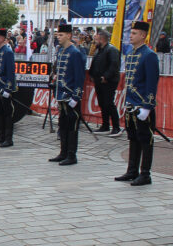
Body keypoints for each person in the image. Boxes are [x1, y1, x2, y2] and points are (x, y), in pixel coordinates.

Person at [115, 21, 159, 186]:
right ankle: (132, 170)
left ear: (143, 35)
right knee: (133, 137)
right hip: (131, 103)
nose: (130, 36)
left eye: (134, 33)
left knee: (145, 139)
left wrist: (147, 106)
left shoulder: (149, 55)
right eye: (131, 33)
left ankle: (145, 174)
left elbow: (152, 83)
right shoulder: (131, 54)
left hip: (141, 105)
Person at [50, 22, 86, 166]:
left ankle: (72, 155)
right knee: (63, 125)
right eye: (58, 35)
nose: (58, 37)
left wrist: (76, 97)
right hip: (61, 95)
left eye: (61, 35)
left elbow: (79, 77)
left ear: (69, 35)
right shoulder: (60, 51)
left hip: (70, 96)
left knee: (72, 127)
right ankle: (63, 152)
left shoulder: (75, 53)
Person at [89, 30, 121, 135]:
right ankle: (105, 125)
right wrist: (92, 74)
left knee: (109, 103)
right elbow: (95, 63)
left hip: (109, 81)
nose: (95, 40)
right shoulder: (99, 50)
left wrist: (106, 76)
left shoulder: (112, 50)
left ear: (102, 38)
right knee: (102, 103)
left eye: (96, 38)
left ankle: (116, 127)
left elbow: (114, 65)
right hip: (99, 81)